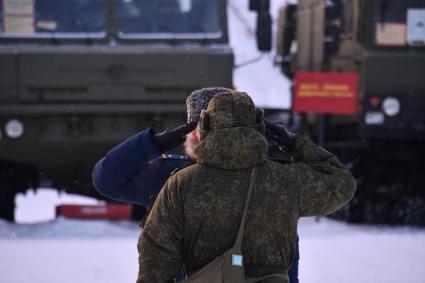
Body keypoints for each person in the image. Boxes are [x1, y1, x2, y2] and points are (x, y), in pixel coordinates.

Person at [137, 91, 356, 282]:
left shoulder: (181, 184)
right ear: (261, 128)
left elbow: (156, 251)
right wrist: (294, 142)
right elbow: (342, 183)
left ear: (206, 126)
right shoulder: (286, 180)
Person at [93, 87, 298, 282]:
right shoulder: (167, 174)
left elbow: (285, 251)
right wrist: (153, 143)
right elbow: (106, 179)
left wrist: (156, 144)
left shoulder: (169, 176)